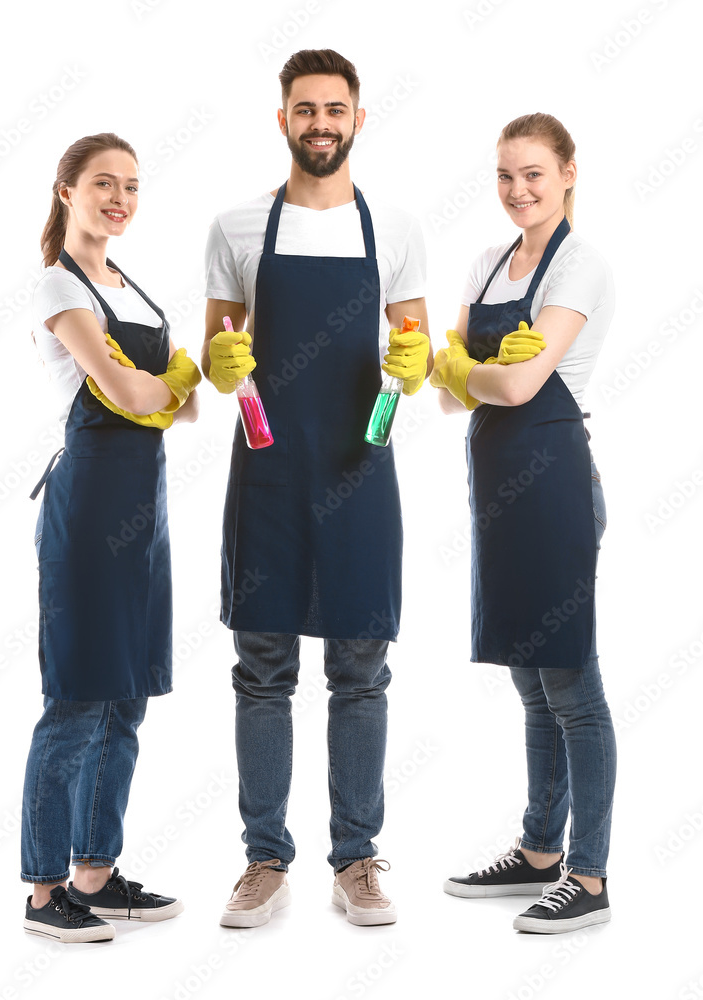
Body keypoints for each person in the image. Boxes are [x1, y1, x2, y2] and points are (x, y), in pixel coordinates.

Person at [202, 49, 431, 927]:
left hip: (358, 466)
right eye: (305, 110)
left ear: (358, 119)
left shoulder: (399, 229)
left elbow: (414, 353)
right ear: (283, 120)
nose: (321, 124)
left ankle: (357, 859)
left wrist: (411, 366)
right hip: (267, 468)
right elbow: (220, 359)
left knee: (361, 667)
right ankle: (264, 859)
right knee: (261, 668)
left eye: (335, 109)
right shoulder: (234, 228)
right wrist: (222, 363)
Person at [432, 113, 616, 933]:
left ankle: (590, 876)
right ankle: (540, 851)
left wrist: (460, 368)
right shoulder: (486, 264)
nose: (518, 191)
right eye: (505, 176)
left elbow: (517, 387)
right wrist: (457, 370)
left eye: (534, 174)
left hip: (553, 489)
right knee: (529, 680)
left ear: (568, 173)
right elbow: (446, 394)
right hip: (496, 488)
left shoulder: (580, 266)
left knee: (571, 682)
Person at [22, 132, 200, 942]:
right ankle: (43, 891)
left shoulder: (132, 288)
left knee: (127, 695)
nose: (119, 198)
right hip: (89, 506)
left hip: (146, 509)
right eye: (102, 183)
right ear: (66, 191)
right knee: (76, 697)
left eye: (131, 185)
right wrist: (176, 381)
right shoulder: (56, 285)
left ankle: (95, 874)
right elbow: (122, 387)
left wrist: (182, 384)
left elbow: (178, 407)